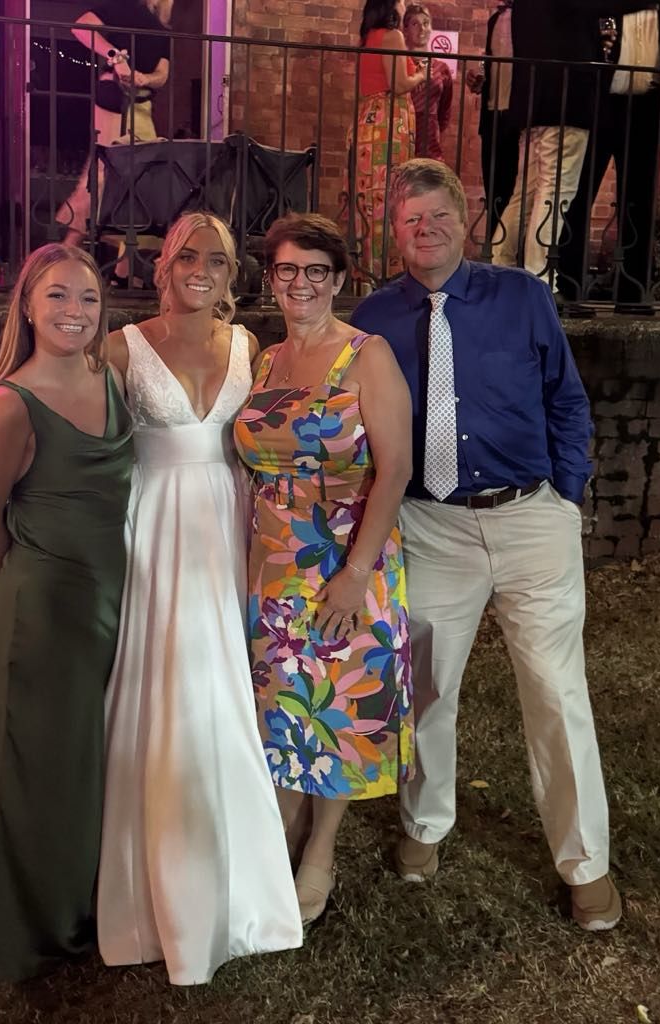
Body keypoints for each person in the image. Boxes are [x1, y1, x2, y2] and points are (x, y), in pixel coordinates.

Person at [352, 158, 622, 932]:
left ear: (466, 219)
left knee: (557, 691)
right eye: (411, 219)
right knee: (430, 685)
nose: (427, 229)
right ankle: (425, 824)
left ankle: (586, 863)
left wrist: (567, 494)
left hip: (529, 516)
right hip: (432, 524)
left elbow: (565, 397)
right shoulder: (372, 317)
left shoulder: (522, 296)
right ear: (394, 231)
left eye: (439, 214)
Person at [97, 212, 303, 985]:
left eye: (217, 259)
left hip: (229, 523)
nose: (201, 269)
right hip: (151, 527)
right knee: (163, 687)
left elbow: (276, 439)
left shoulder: (249, 345)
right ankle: (153, 894)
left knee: (224, 686)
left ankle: (240, 884)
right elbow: (90, 442)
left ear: (231, 274)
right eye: (188, 255)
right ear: (163, 264)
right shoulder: (122, 347)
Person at [233, 213, 414, 925]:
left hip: (346, 558)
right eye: (287, 269)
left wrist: (356, 571)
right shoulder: (264, 361)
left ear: (338, 280)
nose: (300, 283)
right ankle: (281, 823)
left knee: (335, 702)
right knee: (282, 702)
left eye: (316, 271)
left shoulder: (367, 355)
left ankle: (322, 848)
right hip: (274, 563)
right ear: (271, 278)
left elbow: (395, 470)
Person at [0, 244, 134, 980]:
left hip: (112, 596)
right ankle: (35, 924)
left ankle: (86, 901)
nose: (74, 311)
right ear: (28, 306)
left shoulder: (110, 379)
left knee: (90, 760)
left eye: (88, 298)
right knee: (38, 767)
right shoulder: (8, 405)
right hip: (44, 610)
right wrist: (36, 576)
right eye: (58, 295)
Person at [494, 0, 657, 282]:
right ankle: (540, 277)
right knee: (555, 192)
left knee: (526, 192)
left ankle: (499, 264)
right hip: (566, 101)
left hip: (533, 101)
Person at [557, 1, 660, 305]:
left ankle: (633, 294)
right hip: (602, 98)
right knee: (580, 194)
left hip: (649, 104)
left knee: (640, 203)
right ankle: (569, 287)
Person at [56, 0, 172, 248]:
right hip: (115, 100)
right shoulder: (126, 7)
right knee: (106, 171)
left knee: (141, 177)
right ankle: (69, 247)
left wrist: (145, 78)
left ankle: (123, 259)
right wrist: (116, 57)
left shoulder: (162, 28)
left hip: (141, 105)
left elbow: (162, 74)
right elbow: (81, 27)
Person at [347, 0, 424, 281]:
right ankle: (386, 271)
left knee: (367, 196)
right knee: (388, 193)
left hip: (368, 119)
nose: (404, 4)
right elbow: (399, 84)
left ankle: (366, 270)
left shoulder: (368, 37)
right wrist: (421, 74)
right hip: (388, 122)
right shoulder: (392, 36)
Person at [466, 0, 520, 239]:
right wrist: (480, 80)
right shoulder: (494, 20)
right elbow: (493, 65)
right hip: (492, 117)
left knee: (516, 195)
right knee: (494, 195)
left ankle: (513, 252)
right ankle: (493, 249)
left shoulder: (530, 22)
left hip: (518, 118)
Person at [402, 4, 454, 162]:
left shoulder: (441, 68)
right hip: (401, 135)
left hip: (429, 142)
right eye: (415, 24)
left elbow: (445, 110)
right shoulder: (398, 65)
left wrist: (433, 129)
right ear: (405, 30)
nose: (422, 29)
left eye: (426, 23)